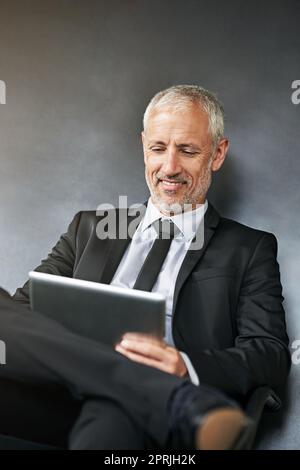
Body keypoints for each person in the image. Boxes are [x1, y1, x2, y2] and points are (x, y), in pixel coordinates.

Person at [0, 85, 290, 449]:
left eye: (187, 150)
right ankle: (161, 393)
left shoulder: (248, 249)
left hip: (137, 417)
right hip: (55, 391)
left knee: (118, 415)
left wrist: (185, 366)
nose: (169, 167)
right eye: (158, 148)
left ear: (217, 154)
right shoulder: (88, 228)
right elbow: (20, 311)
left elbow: (269, 355)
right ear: (143, 147)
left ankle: (152, 391)